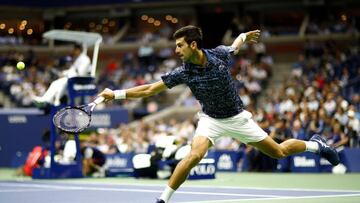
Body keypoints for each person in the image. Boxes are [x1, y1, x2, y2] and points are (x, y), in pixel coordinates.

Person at [98, 25, 340, 203]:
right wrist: (117, 94)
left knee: (278, 152)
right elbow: (150, 89)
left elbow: (235, 45)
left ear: (193, 45)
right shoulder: (183, 72)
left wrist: (245, 36)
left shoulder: (219, 55)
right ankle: (163, 200)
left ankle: (316, 145)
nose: (176, 50)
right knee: (194, 155)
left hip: (237, 117)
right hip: (210, 120)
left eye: (180, 45)